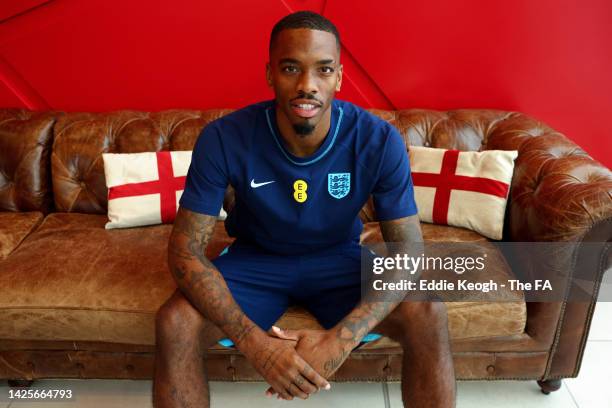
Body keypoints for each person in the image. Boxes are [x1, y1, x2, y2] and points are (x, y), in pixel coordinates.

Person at [153, 11, 456, 408]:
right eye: (291, 68)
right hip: (256, 258)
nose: (306, 85)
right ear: (269, 74)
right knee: (174, 321)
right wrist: (256, 345)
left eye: (323, 70)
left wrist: (339, 341)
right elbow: (184, 251)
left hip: (340, 258)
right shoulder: (223, 138)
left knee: (428, 312)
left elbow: (409, 252)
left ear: (339, 78)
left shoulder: (379, 140)